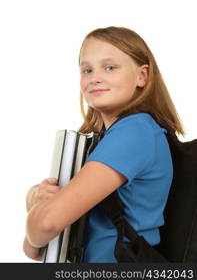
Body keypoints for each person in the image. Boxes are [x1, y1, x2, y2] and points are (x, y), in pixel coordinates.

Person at [23, 26, 185, 262]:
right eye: (87, 70)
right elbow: (42, 234)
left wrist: (32, 235)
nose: (95, 77)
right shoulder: (108, 137)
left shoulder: (134, 131)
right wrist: (35, 197)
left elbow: (47, 224)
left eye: (110, 67)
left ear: (142, 76)